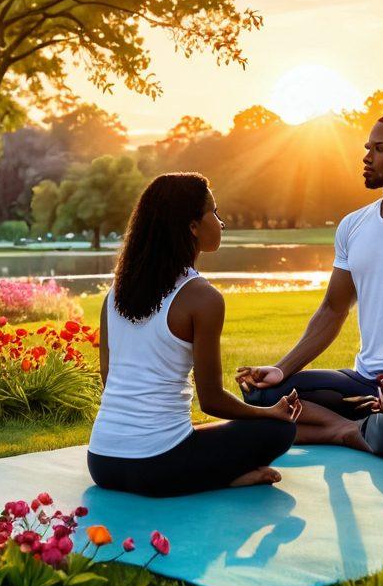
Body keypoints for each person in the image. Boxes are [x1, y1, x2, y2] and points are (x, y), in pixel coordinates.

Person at [237, 110, 383, 461]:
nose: (367, 157)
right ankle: (350, 429)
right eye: (367, 147)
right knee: (261, 396)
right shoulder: (353, 225)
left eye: (379, 149)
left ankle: (350, 425)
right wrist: (283, 368)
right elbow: (333, 309)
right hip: (364, 380)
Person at [87, 173, 300, 497]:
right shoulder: (202, 297)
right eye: (214, 212)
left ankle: (209, 471)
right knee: (279, 430)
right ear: (192, 227)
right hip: (157, 468)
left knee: (199, 434)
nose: (221, 222)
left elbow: (109, 378)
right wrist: (268, 413)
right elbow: (211, 399)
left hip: (102, 461)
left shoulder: (115, 294)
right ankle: (226, 478)